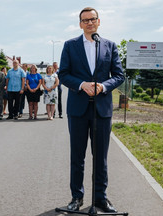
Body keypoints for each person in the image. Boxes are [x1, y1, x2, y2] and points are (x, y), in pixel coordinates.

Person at [58, 7, 124, 213]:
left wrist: (103, 86)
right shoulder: (70, 46)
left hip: (101, 110)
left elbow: (119, 75)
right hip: (78, 109)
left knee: (101, 157)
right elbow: (64, 74)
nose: (89, 22)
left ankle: (100, 198)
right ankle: (76, 198)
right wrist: (82, 84)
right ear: (80, 24)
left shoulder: (110, 46)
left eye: (92, 19)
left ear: (98, 21)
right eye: (85, 20)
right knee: (77, 157)